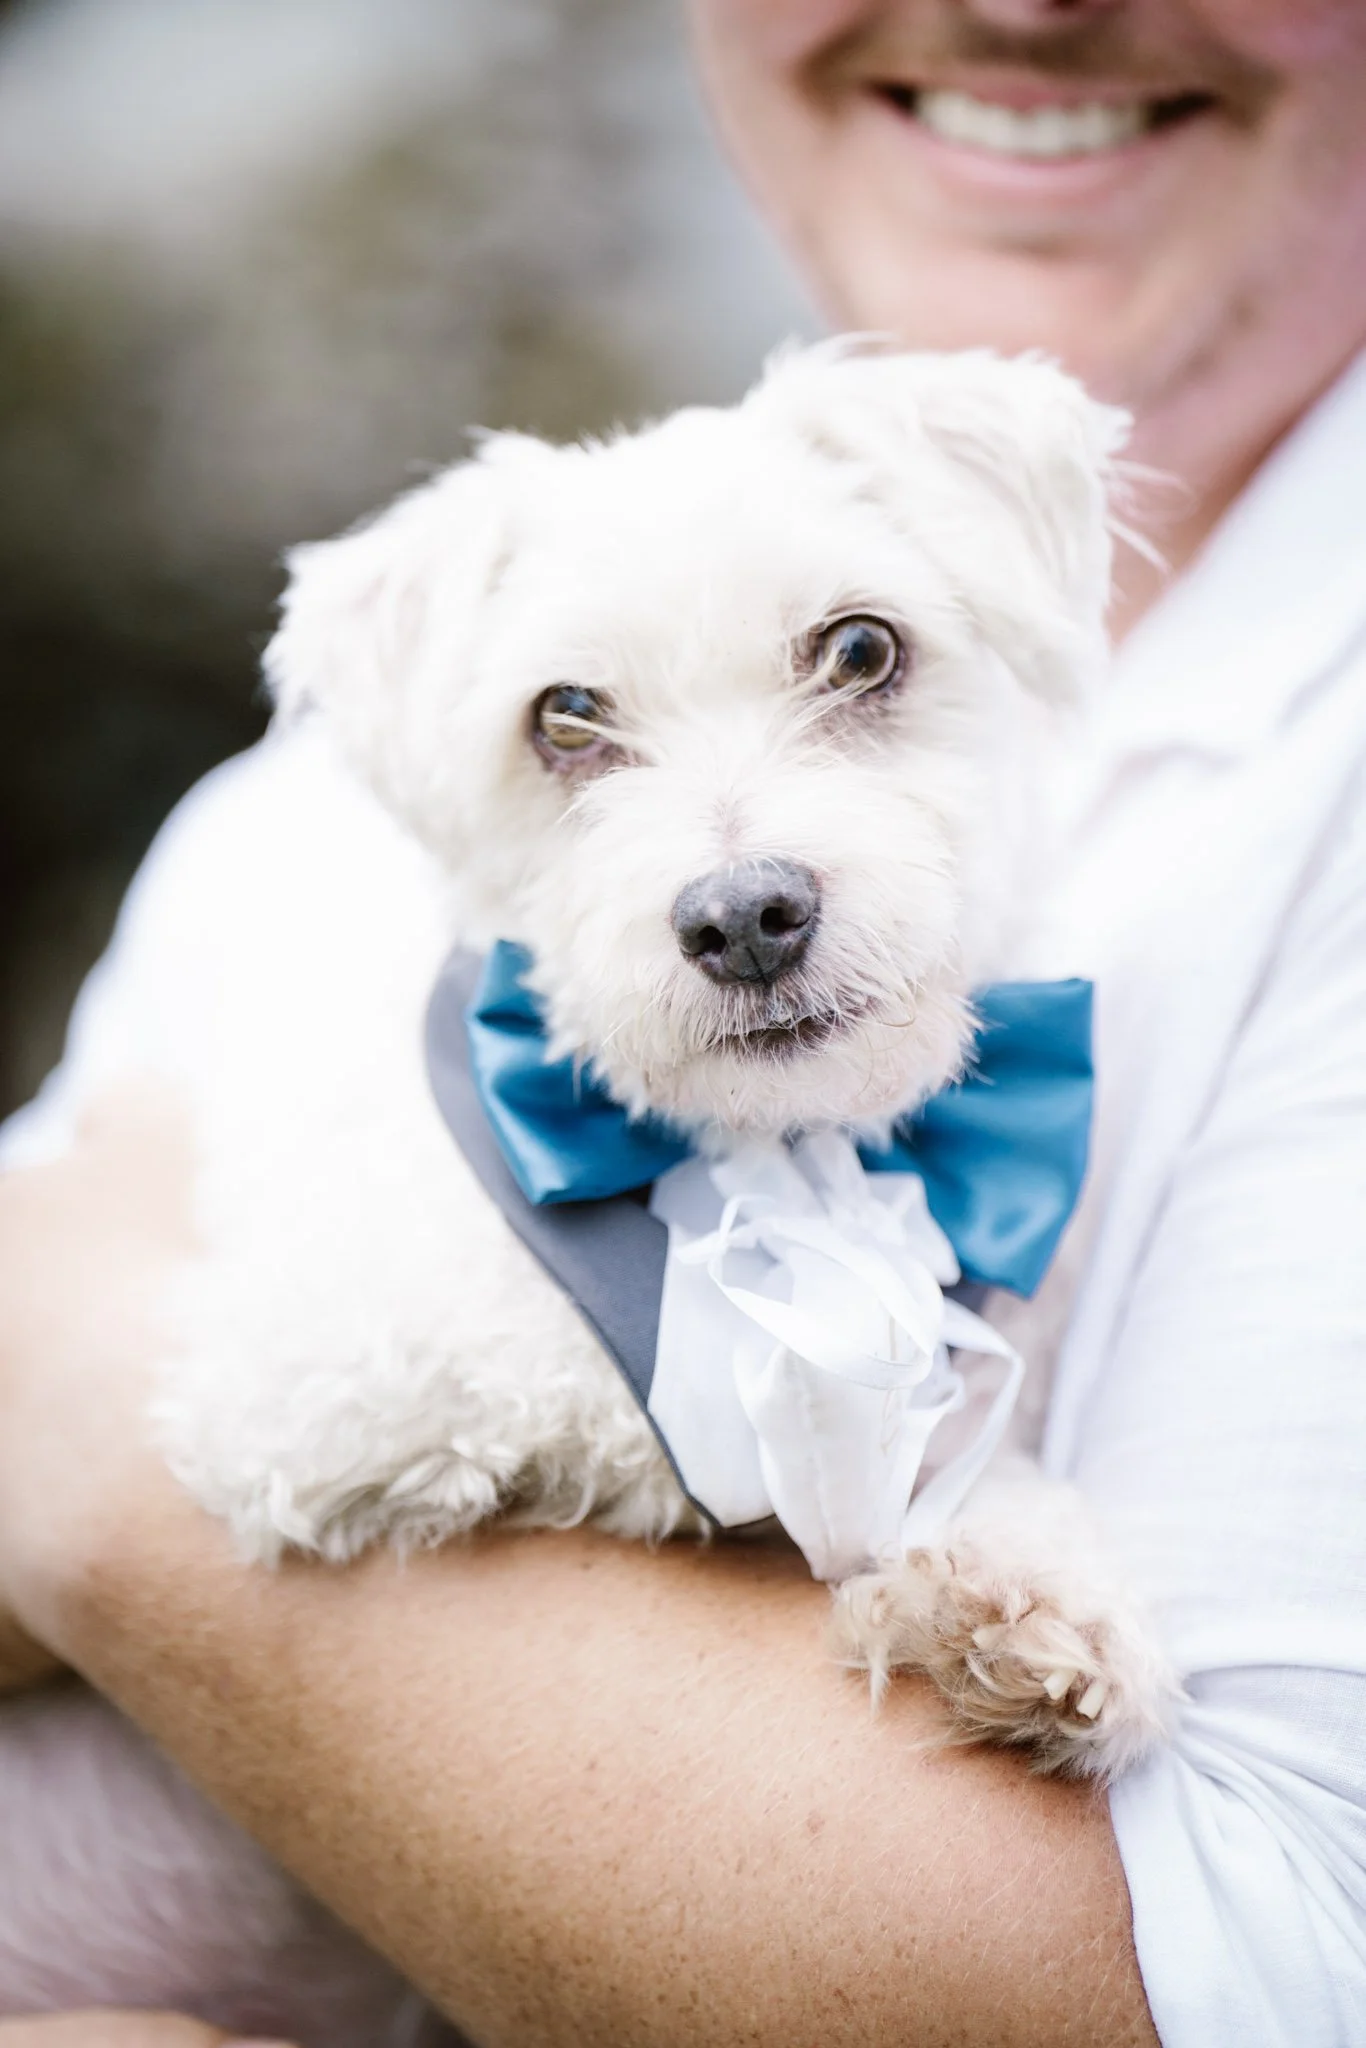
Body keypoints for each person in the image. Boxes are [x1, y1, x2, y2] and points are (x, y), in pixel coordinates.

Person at [4, 0, 1366, 2040]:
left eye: (852, 658)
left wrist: (66, 1394)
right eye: (577, 730)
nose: (732, 864)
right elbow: (312, 1420)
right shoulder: (300, 823)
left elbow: (1259, 1975)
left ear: (1022, 564)